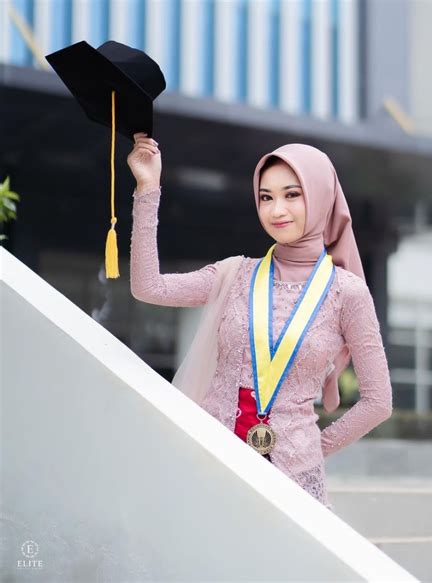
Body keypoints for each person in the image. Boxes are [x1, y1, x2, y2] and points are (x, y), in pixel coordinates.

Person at [128, 134, 393, 511]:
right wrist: (148, 188)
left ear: (320, 197)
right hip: (211, 463)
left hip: (293, 484)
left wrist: (311, 449)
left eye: (292, 194)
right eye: (266, 197)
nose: (276, 210)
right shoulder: (235, 274)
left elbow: (379, 402)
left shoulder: (346, 293)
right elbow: (148, 287)